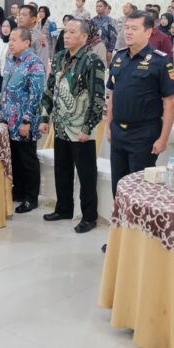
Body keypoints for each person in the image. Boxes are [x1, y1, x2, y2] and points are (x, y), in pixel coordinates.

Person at [39, 17, 107, 232]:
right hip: (61, 126)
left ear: (84, 37)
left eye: (72, 32)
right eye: (65, 32)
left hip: (81, 130)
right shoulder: (60, 57)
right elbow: (50, 88)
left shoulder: (92, 61)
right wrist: (44, 117)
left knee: (86, 174)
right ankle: (64, 208)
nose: (66, 36)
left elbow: (97, 98)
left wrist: (87, 128)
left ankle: (89, 216)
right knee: (62, 170)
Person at [106, 11, 174, 196]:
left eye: (134, 28)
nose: (128, 32)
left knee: (139, 191)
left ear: (148, 32)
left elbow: (170, 102)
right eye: (126, 28)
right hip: (118, 132)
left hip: (144, 135)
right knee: (118, 188)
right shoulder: (119, 57)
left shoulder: (160, 61)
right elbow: (113, 94)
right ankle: (119, 217)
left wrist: (163, 139)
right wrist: (108, 126)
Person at [0, 27, 47, 214]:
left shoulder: (34, 63)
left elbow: (36, 95)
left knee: (27, 160)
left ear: (26, 43)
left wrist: (27, 121)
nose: (10, 43)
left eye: (14, 40)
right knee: (14, 158)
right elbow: (5, 89)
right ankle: (17, 192)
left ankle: (31, 198)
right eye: (10, 39)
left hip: (25, 120)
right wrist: (0, 114)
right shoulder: (11, 60)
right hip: (8, 119)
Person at [16, 4, 51, 71]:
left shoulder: (39, 38)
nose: (20, 17)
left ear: (33, 19)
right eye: (19, 15)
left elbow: (42, 64)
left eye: (24, 15)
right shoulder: (16, 34)